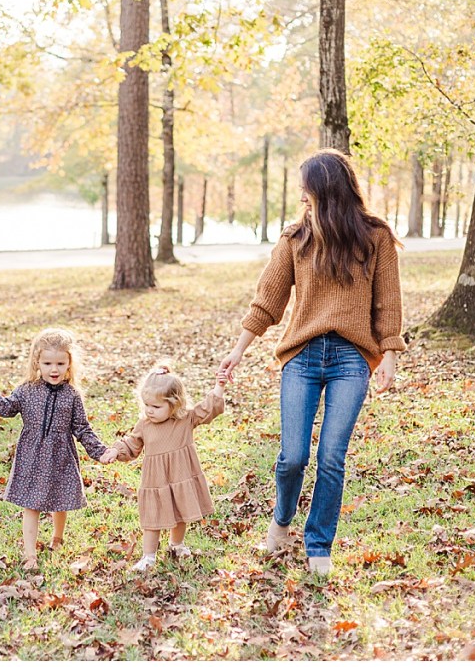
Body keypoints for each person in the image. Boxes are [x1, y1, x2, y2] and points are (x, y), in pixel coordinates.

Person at [217, 148, 404, 577]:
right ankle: (282, 520)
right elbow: (268, 299)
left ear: (327, 191)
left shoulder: (375, 238)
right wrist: (238, 349)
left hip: (350, 359)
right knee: (293, 457)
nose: (302, 198)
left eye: (307, 191)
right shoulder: (295, 238)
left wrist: (389, 355)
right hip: (301, 357)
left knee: (332, 457)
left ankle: (319, 543)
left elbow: (387, 303)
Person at [0, 328, 115, 570]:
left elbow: (82, 428)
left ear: (69, 364)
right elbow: (6, 408)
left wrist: (100, 451)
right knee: (30, 505)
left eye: (60, 363)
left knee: (59, 501)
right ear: (37, 363)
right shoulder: (26, 390)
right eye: (48, 363)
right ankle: (30, 554)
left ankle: (57, 537)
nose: (54, 369)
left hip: (60, 455)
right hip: (32, 457)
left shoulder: (72, 395)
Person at [100, 364, 228, 571]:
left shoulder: (186, 419)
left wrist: (219, 386)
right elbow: (132, 444)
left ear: (175, 404)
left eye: (156, 407)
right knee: (153, 517)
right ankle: (148, 556)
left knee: (180, 512)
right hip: (155, 480)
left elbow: (207, 410)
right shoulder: (145, 425)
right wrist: (115, 451)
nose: (149, 410)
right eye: (146, 405)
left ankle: (176, 544)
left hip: (180, 476)